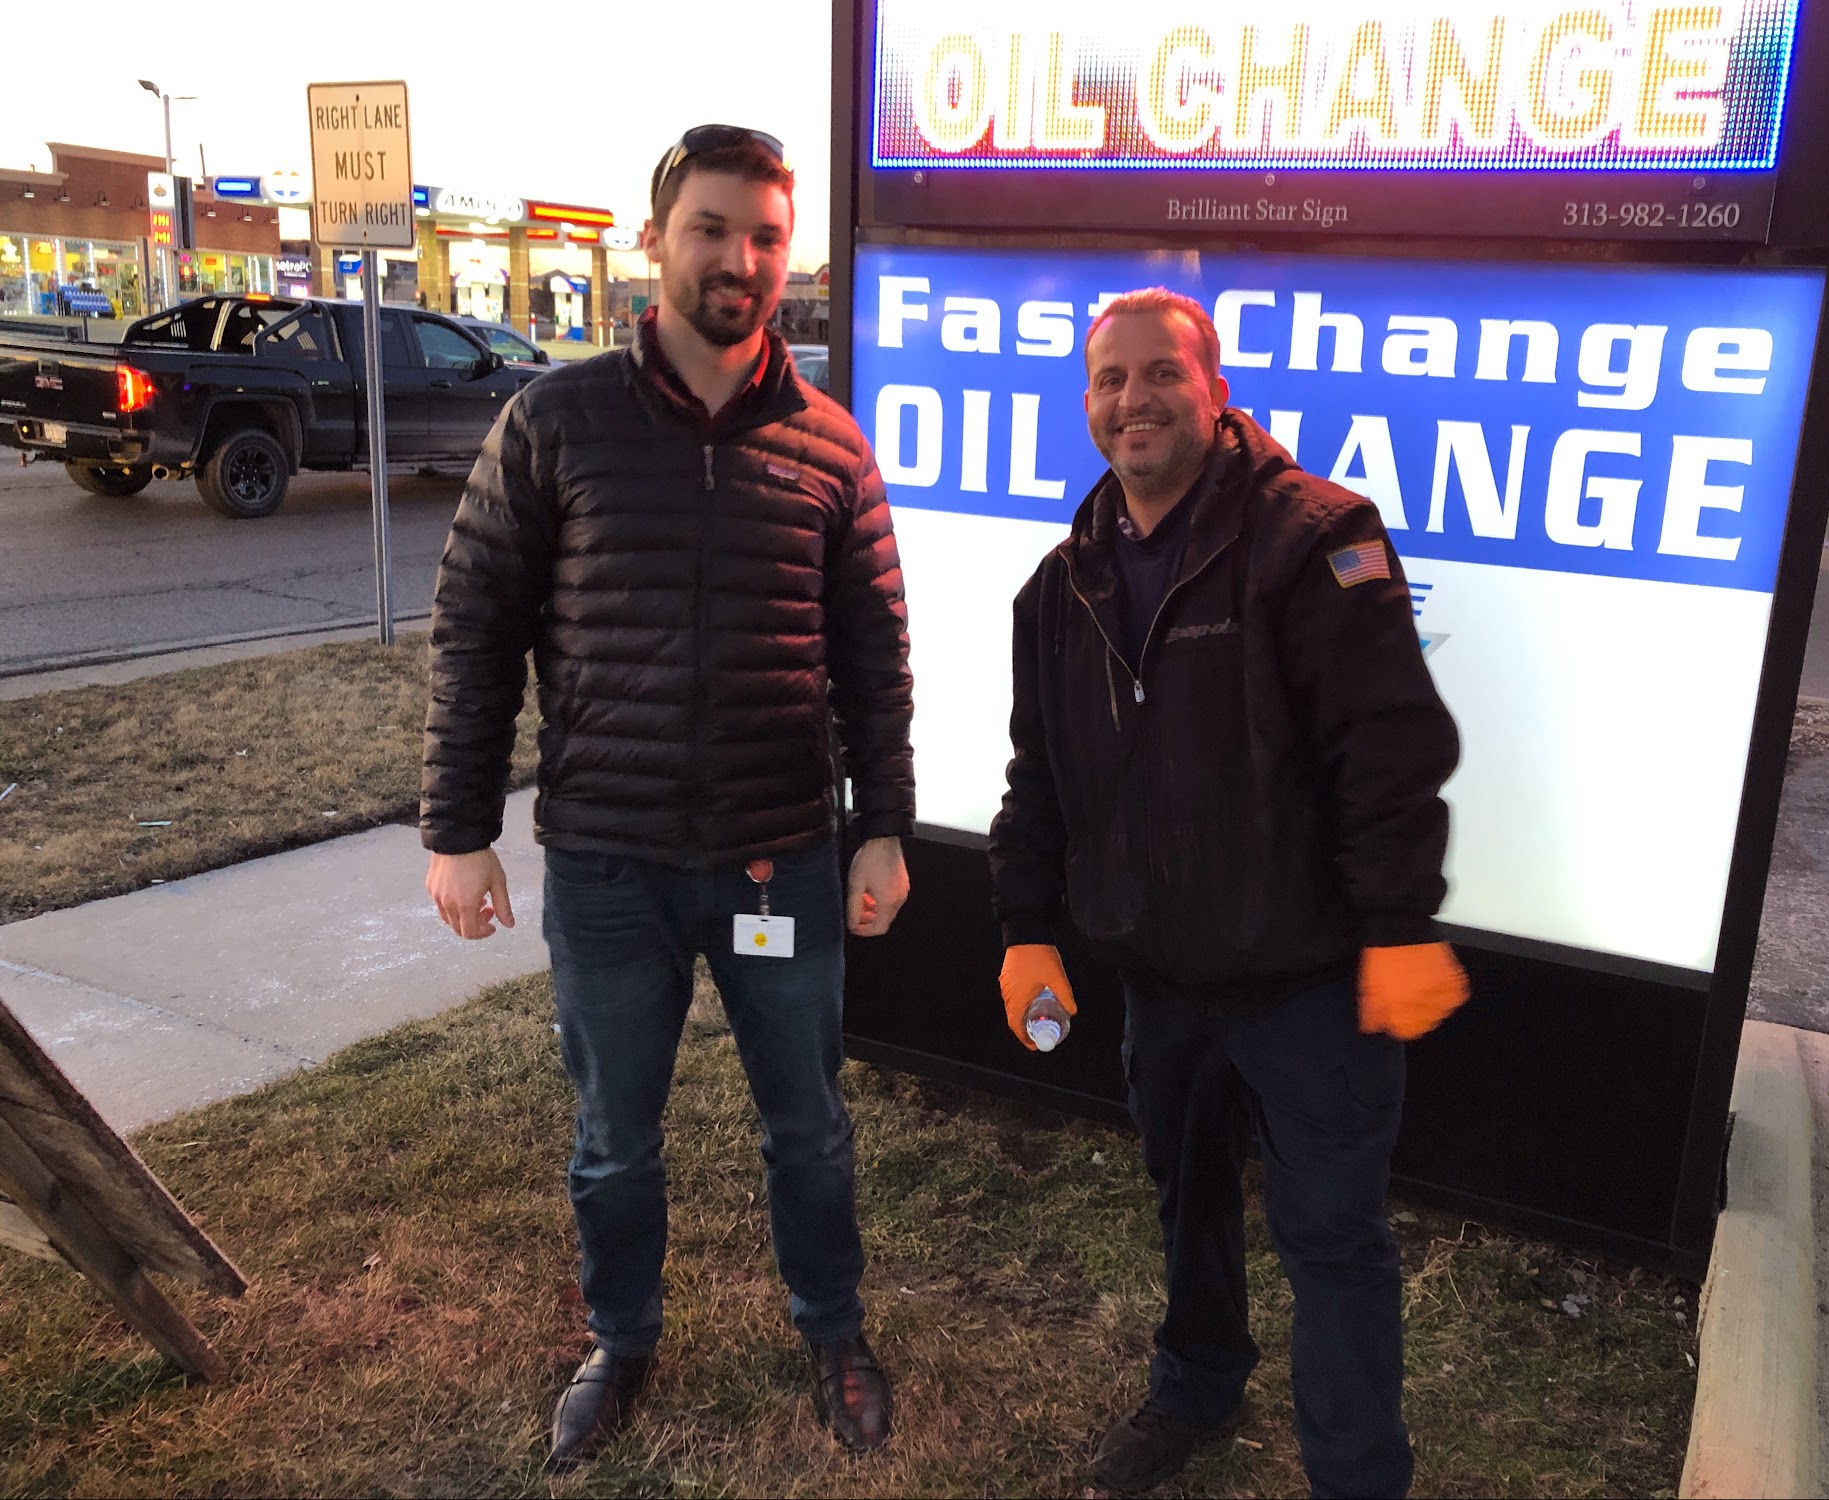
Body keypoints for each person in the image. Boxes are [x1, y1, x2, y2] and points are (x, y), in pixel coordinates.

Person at [421, 124, 914, 1471]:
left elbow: (874, 655)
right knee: (612, 1144)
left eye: (765, 236)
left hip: (777, 859)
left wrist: (881, 824)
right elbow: (476, 630)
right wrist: (459, 830)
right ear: (654, 241)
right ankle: (621, 1340)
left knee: (809, 1129)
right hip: (609, 864)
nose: (739, 259)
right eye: (711, 228)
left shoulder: (829, 447)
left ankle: (834, 1330)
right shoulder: (555, 422)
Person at [988, 289, 1467, 1498]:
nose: (1133, 399)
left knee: (1332, 1239)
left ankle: (1356, 1478)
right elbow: (1038, 774)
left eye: (1161, 372)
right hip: (1161, 978)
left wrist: (1397, 927)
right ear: (1085, 403)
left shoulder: (1316, 539)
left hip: (1311, 983)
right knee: (1186, 1201)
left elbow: (1386, 751)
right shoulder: (1061, 587)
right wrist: (1025, 928)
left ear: (1213, 390)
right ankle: (1196, 1385)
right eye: (1110, 379)